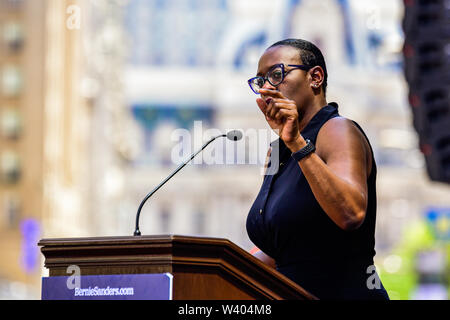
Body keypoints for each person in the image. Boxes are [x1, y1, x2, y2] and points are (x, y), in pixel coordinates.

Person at [246, 38, 390, 300]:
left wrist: (296, 143)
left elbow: (350, 212)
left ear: (315, 77)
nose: (266, 88)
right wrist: (223, 265)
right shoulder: (277, 151)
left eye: (276, 75)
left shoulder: (337, 130)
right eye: (259, 81)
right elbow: (285, 249)